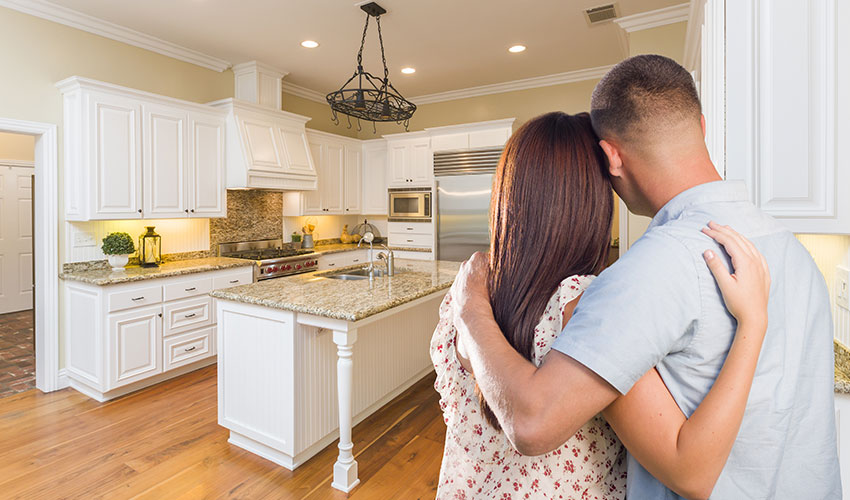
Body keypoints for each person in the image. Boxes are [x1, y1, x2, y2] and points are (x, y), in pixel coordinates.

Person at [449, 55, 840, 499]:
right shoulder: (791, 249)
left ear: (611, 157)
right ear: (701, 127)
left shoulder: (649, 270)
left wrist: (469, 308)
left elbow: (533, 423)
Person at [431, 111, 771, 499]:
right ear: (592, 204)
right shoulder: (586, 304)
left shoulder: (465, 292)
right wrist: (753, 322)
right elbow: (689, 470)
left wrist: (472, 307)